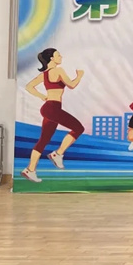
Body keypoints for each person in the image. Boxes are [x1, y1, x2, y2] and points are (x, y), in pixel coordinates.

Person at [22, 48, 85, 183]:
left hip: (49, 108)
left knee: (43, 140)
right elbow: (72, 85)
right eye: (58, 55)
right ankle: (58, 153)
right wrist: (79, 75)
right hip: (52, 109)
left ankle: (30, 170)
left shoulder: (44, 74)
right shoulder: (59, 70)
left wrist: (42, 96)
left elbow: (29, 86)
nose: (61, 57)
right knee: (79, 128)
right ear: (51, 58)